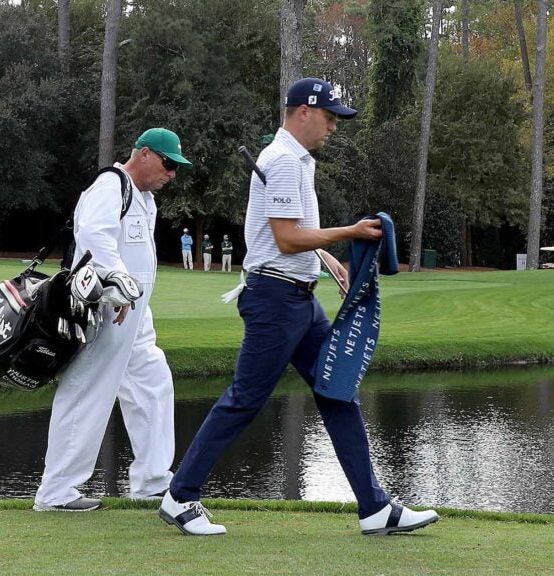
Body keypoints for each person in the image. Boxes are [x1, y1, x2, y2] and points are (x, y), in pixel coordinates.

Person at [159, 78, 439, 536]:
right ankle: (180, 496)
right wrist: (348, 233)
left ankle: (374, 507)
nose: (333, 127)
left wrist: (326, 256)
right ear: (303, 112)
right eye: (329, 117)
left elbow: (292, 233)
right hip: (275, 300)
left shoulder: (297, 161)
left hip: (299, 299)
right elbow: (286, 239)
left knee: (337, 390)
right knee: (245, 401)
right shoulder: (284, 161)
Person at [34, 128, 193, 511]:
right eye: (167, 163)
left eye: (176, 167)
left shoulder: (145, 199)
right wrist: (119, 280)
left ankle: (152, 481)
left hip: (135, 311)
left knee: (153, 381)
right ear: (143, 154)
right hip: (102, 306)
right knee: (88, 389)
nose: (171, 173)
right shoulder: (111, 184)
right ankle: (56, 492)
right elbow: (94, 236)